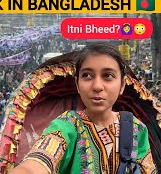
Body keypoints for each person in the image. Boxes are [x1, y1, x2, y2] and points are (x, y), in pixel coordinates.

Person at [10, 43, 157, 173]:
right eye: (87, 75)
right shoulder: (67, 125)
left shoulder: (136, 129)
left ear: (122, 86)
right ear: (77, 84)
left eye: (108, 76)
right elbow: (39, 160)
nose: (97, 86)